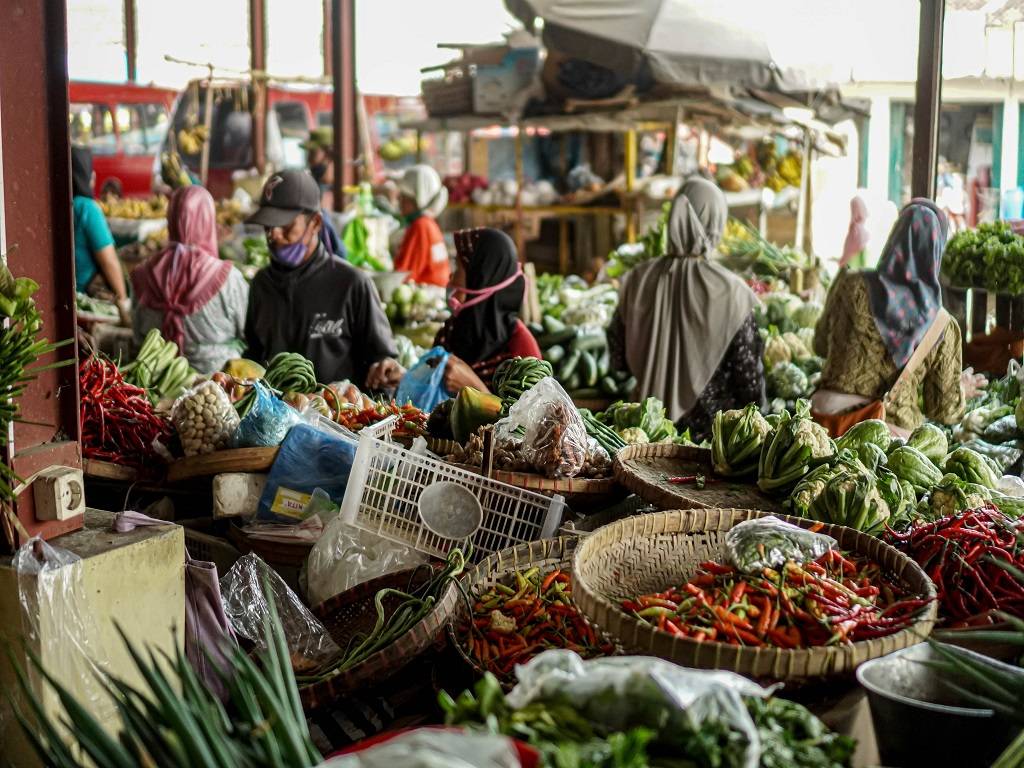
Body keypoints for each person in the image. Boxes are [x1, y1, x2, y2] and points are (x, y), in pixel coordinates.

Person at [608, 177, 765, 440]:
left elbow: (617, 359)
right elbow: (749, 382)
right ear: (715, 223)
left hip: (646, 435)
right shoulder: (731, 292)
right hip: (710, 445)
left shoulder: (637, 278)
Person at [813, 199, 984, 435]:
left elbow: (820, 345)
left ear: (894, 238)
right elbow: (944, 410)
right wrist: (961, 390)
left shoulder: (850, 285)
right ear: (936, 250)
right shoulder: (942, 325)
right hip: (886, 437)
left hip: (825, 422)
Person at [243, 169, 401, 389]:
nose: (274, 236)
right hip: (273, 419)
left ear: (315, 223)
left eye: (286, 227)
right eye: (268, 227)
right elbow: (253, 355)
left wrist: (386, 368)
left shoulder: (351, 284)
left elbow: (383, 363)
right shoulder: (261, 285)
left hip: (338, 418)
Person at [131, 186, 249, 374]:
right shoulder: (229, 278)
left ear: (170, 219)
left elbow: (137, 336)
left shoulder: (142, 274)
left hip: (154, 380)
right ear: (208, 220)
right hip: (217, 387)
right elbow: (246, 331)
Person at [433, 227, 541, 394]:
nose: (451, 277)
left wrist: (476, 390)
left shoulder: (520, 348)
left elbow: (535, 416)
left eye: (459, 267)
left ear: (481, 276)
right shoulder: (449, 332)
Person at [71, 146, 131, 325]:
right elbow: (109, 260)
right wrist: (123, 300)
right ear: (89, 176)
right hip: (86, 300)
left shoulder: (59, 202)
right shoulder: (86, 208)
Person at [394, 165, 450, 287]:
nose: (400, 201)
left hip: (429, 294)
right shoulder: (428, 223)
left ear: (417, 201)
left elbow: (404, 275)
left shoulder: (420, 226)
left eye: (404, 197)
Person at [301, 127, 345, 258]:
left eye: (313, 153)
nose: (309, 160)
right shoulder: (314, 185)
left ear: (329, 154)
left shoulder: (342, 188)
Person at [840, 195, 870, 270]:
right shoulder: (862, 232)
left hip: (850, 272)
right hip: (857, 273)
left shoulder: (854, 230)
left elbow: (848, 254)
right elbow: (864, 260)